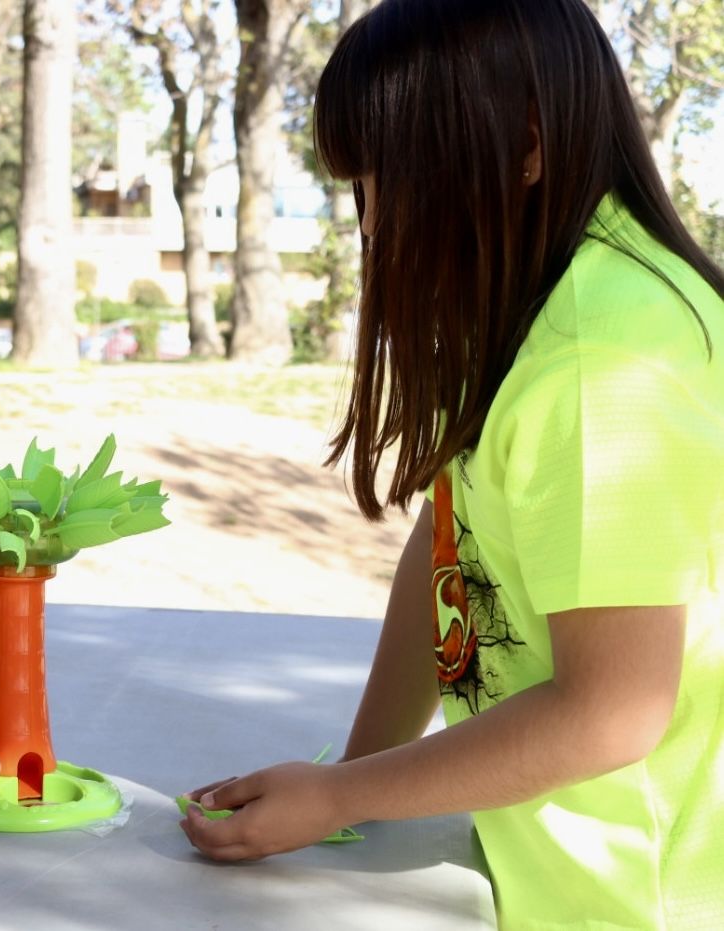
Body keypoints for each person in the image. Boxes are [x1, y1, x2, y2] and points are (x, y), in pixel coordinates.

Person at [180, 1, 724, 927]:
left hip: (640, 898)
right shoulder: (547, 294)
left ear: (527, 146)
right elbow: (451, 545)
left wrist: (345, 798)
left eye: (400, 170)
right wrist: (347, 777)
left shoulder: (603, 364)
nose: (374, 219)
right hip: (559, 868)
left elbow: (612, 711)